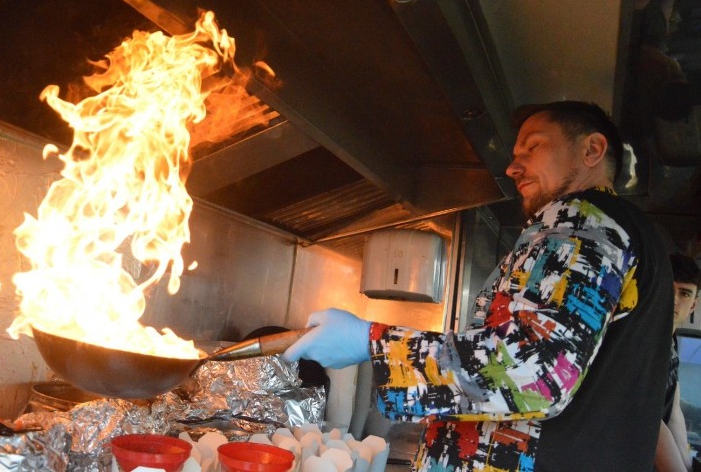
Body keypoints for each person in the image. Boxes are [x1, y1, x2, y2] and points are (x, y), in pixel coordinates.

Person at [284, 101, 674, 471]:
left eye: (532, 148)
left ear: (592, 150)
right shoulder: (628, 235)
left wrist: (370, 341)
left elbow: (532, 370)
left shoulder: (583, 222)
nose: (512, 168)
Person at [656, 254, 700, 471]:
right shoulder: (643, 342)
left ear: (693, 305)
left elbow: (673, 411)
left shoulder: (669, 343)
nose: (674, 300)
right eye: (669, 288)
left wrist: (689, 466)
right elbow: (649, 421)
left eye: (684, 293)